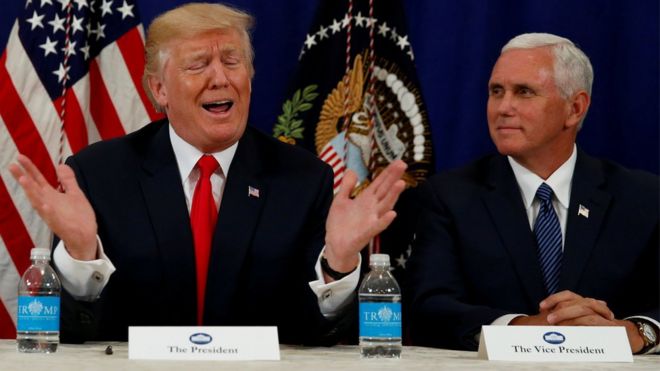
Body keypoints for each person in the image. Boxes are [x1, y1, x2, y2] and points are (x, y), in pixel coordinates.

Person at [9, 3, 406, 344]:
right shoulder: (100, 175)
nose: (221, 78)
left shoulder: (302, 179)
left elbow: (317, 336)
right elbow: (69, 333)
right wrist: (81, 257)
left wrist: (338, 263)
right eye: (198, 65)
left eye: (232, 62)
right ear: (159, 89)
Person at [407, 33, 659, 353]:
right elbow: (429, 309)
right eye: (496, 91)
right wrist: (522, 328)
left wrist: (639, 332)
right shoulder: (449, 196)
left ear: (575, 108)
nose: (503, 107)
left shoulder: (644, 197)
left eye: (524, 92)